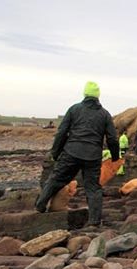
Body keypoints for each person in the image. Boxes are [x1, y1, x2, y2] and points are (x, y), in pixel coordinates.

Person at [36, 81, 119, 228]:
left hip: (71, 152)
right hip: (92, 156)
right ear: (98, 96)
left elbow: (61, 133)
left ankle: (40, 205)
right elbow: (112, 138)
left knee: (56, 178)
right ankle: (94, 222)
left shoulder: (74, 109)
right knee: (93, 188)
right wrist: (115, 157)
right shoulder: (104, 114)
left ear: (85, 94)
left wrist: (55, 152)